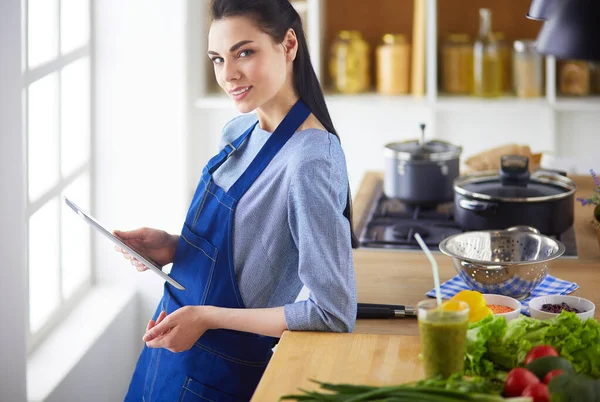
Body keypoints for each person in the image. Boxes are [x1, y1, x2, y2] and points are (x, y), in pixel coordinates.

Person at [116, 0, 357, 400]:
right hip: (167, 358)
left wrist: (206, 317)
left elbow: (332, 312)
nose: (229, 75)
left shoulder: (310, 160)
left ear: (289, 44)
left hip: (218, 378)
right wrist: (176, 246)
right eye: (217, 58)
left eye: (245, 52)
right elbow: (249, 251)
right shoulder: (240, 130)